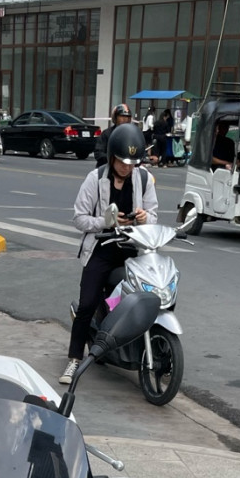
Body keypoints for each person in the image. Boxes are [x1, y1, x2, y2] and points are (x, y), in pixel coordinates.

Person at [62, 124, 158, 385]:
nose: (127, 168)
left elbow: (154, 215)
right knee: (88, 303)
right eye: (122, 162)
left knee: (145, 298)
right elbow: (79, 219)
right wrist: (106, 222)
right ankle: (74, 359)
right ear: (112, 156)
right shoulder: (95, 179)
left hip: (131, 250)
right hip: (101, 248)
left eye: (132, 163)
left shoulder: (143, 179)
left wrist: (144, 218)